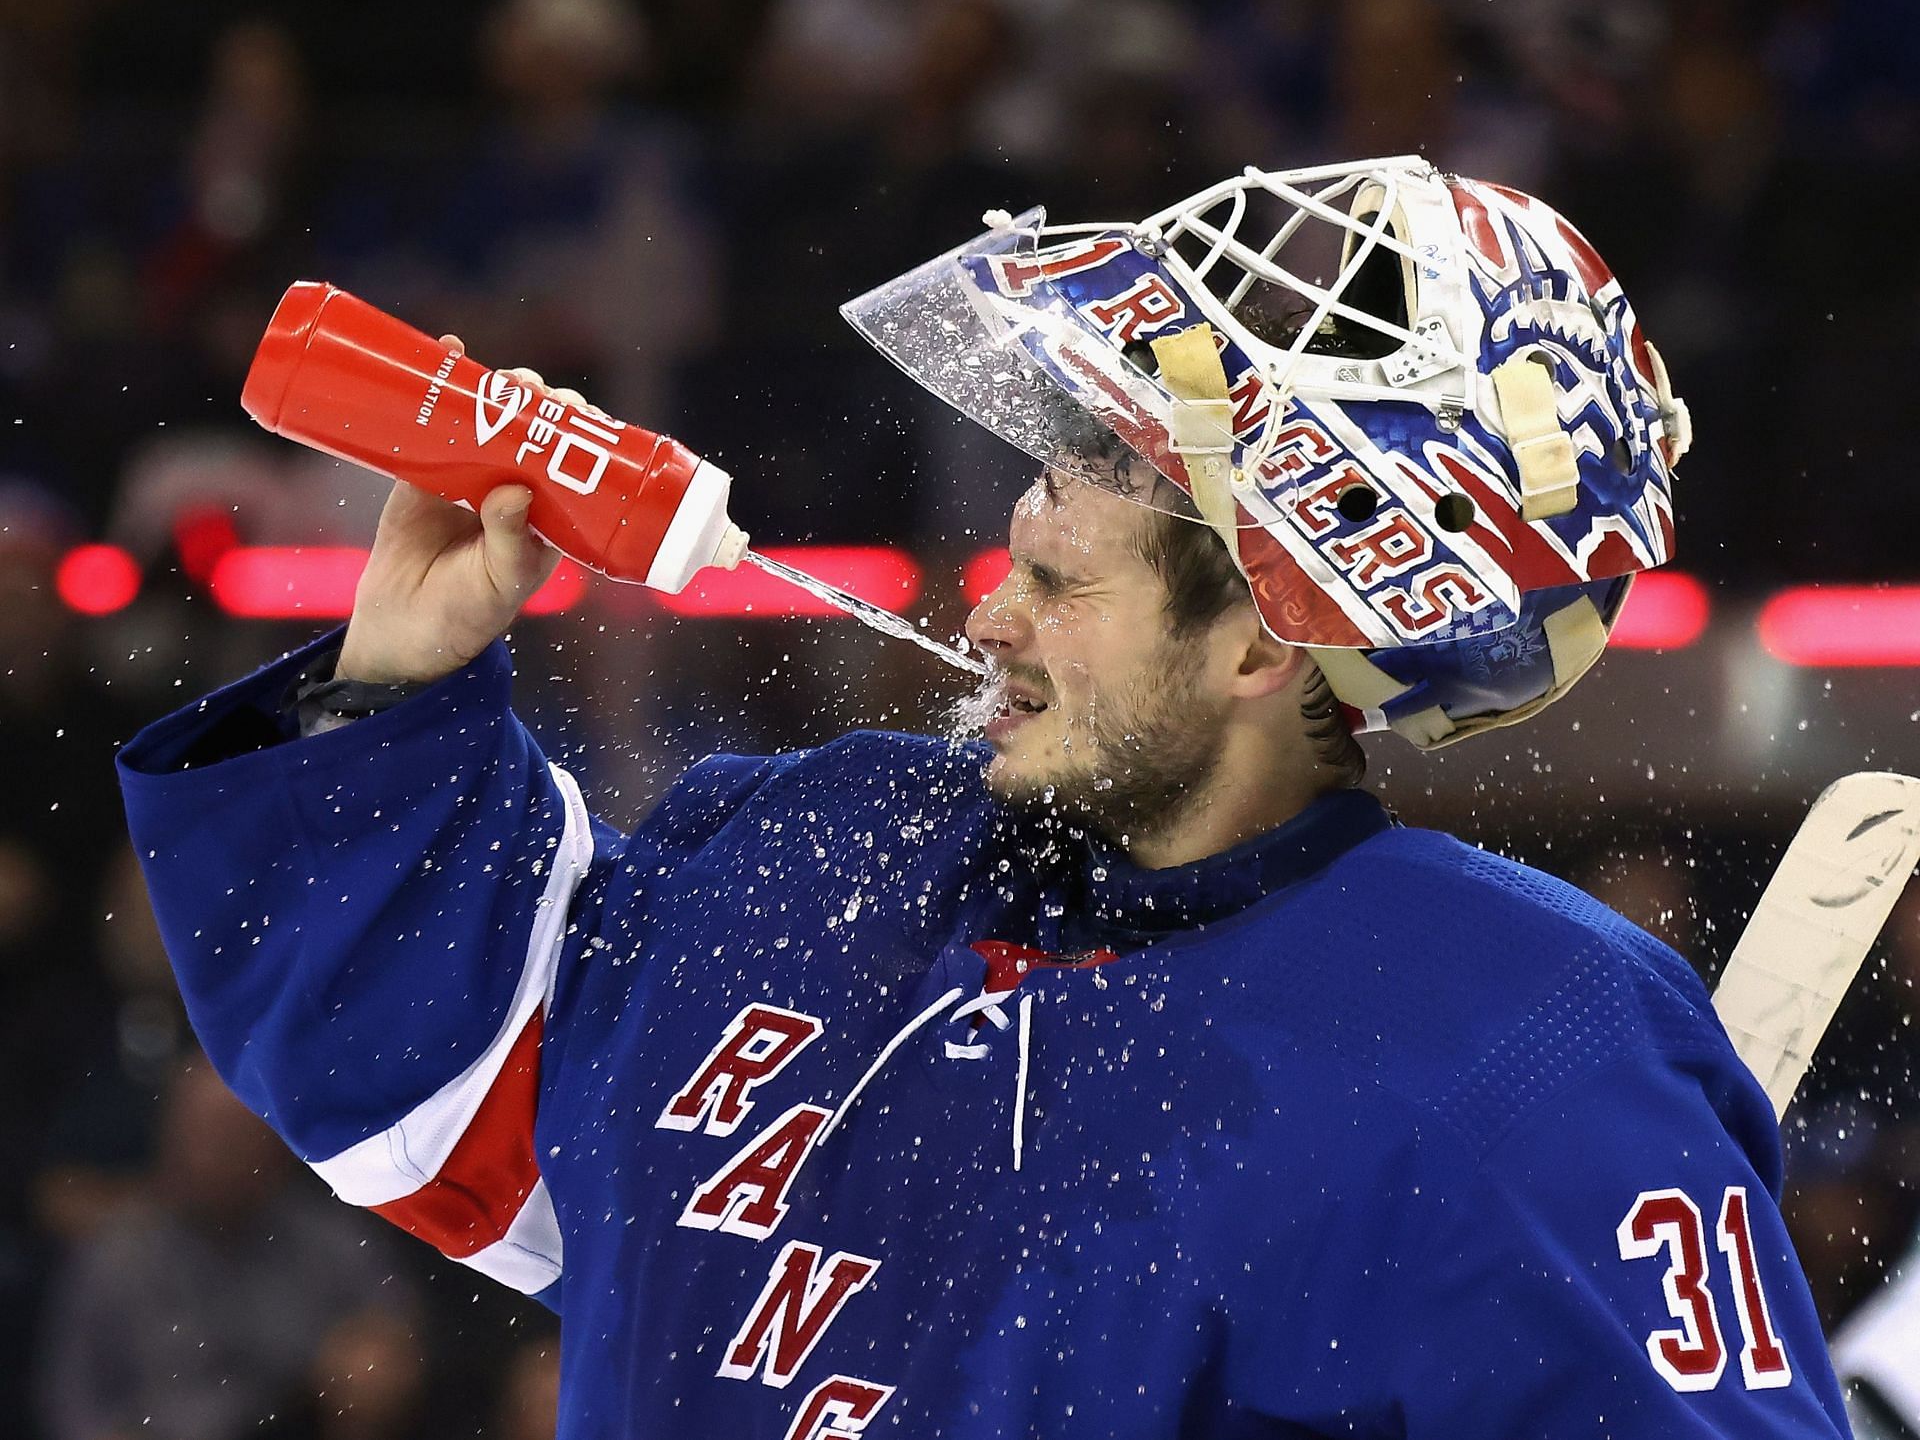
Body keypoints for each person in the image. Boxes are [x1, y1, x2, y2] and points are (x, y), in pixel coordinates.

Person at [119, 157, 1850, 1437]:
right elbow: (448, 1102)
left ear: (1271, 641)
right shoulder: (826, 847)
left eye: (1060, 585)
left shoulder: (1532, 1053)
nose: (982, 611)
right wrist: (394, 695)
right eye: (1018, 541)